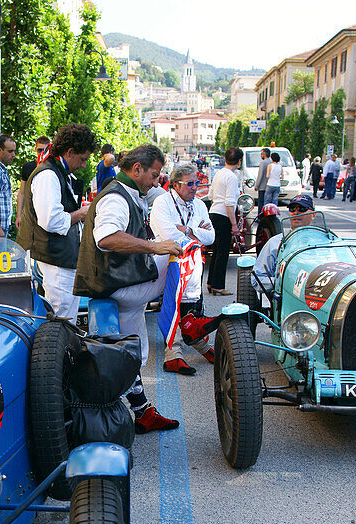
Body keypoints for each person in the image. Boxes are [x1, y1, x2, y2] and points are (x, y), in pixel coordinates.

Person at [74, 144, 182, 432]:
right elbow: (106, 238)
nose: (157, 181)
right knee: (179, 258)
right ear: (137, 169)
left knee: (134, 351)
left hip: (117, 280)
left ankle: (142, 410)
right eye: (155, 175)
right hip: (114, 284)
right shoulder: (115, 197)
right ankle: (191, 319)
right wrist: (155, 246)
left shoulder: (126, 192)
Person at [16, 123, 95, 318]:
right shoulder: (48, 174)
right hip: (55, 257)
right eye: (83, 159)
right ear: (69, 152)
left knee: (65, 315)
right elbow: (51, 221)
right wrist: (82, 213)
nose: (84, 165)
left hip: (60, 256)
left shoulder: (56, 171)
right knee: (62, 317)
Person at [149, 161, 215, 374]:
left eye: (197, 182)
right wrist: (196, 232)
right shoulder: (163, 202)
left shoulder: (200, 205)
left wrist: (186, 230)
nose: (195, 187)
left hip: (191, 260)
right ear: (176, 185)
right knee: (173, 301)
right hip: (166, 259)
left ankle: (194, 342)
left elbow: (211, 236)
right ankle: (176, 352)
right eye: (190, 184)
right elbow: (169, 236)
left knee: (189, 305)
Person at [249, 194, 317, 288]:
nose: (296, 212)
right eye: (292, 209)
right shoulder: (275, 243)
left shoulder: (325, 242)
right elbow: (258, 279)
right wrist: (287, 283)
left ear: (313, 214)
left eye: (302, 209)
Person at [206, 147, 241, 295]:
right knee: (223, 252)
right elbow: (229, 202)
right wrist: (234, 224)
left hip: (214, 212)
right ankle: (218, 286)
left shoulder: (219, 173)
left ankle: (211, 282)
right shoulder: (232, 177)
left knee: (216, 251)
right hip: (224, 216)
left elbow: (210, 195)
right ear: (239, 161)